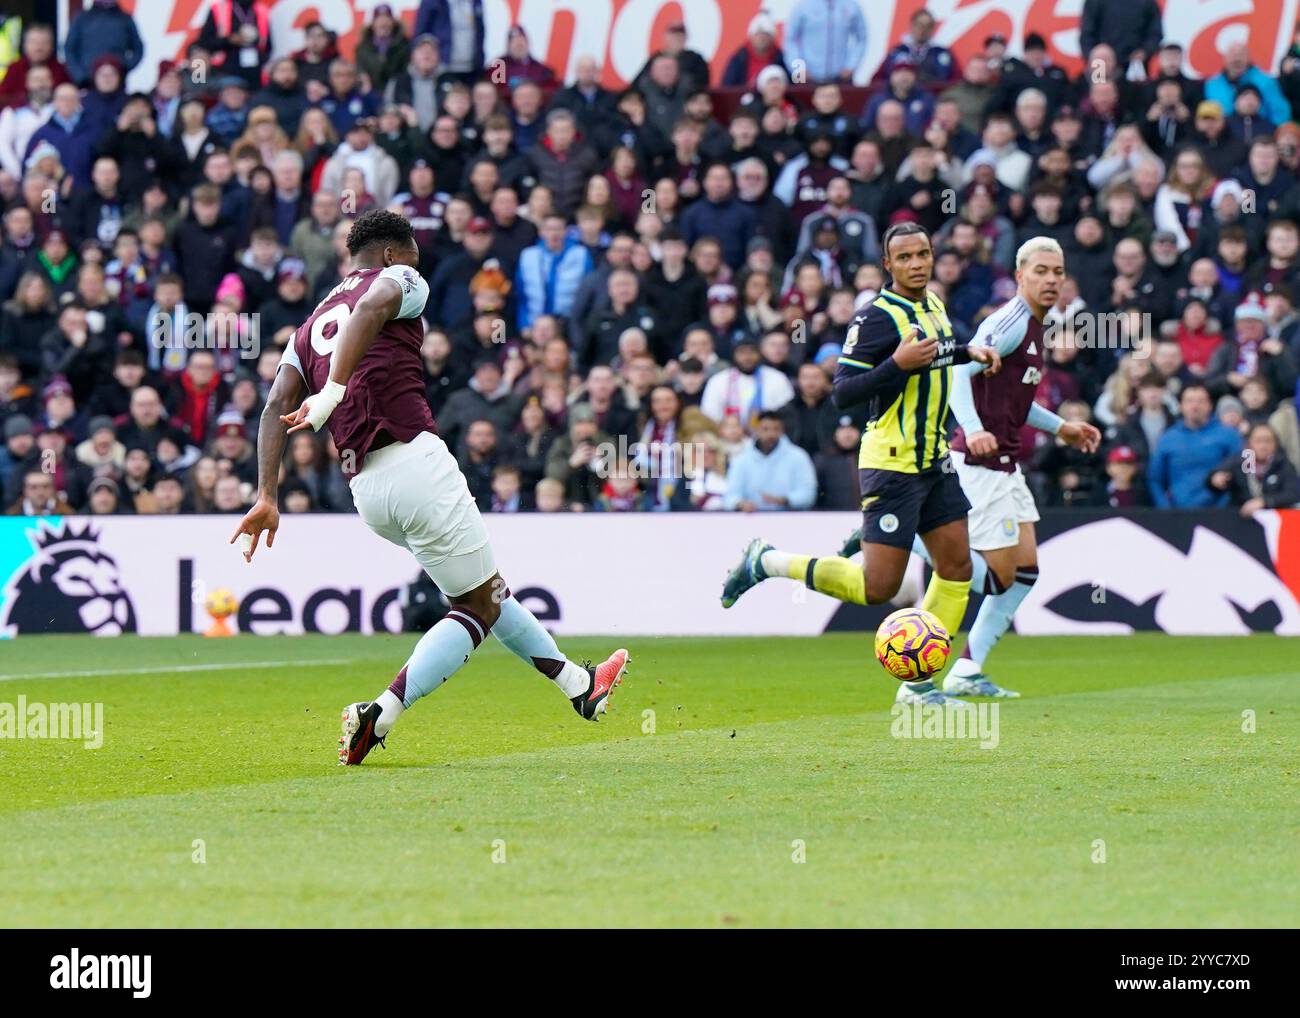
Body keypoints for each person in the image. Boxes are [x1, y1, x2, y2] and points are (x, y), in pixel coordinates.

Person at [232, 211, 629, 766]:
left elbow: (274, 406)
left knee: (485, 592)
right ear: (393, 253)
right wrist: (335, 391)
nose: (418, 267)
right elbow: (372, 308)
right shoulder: (396, 279)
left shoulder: (307, 327)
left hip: (367, 490)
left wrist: (266, 495)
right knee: (477, 607)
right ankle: (380, 713)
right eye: (413, 255)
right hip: (414, 461)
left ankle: (578, 686)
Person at [720, 222, 1000, 707]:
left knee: (956, 568)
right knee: (879, 587)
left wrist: (966, 350)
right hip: (892, 463)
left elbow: (932, 355)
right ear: (888, 265)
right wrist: (897, 365)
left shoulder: (932, 305)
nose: (917, 264)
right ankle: (766, 561)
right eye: (906, 257)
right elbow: (843, 393)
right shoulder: (875, 317)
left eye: (924, 254)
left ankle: (917, 685)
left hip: (934, 458)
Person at [930, 238, 1099, 696]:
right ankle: (917, 541)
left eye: (1057, 272)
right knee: (998, 575)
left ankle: (966, 670)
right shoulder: (1008, 321)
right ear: (1020, 274)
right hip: (980, 463)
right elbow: (955, 372)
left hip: (1007, 462)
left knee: (1024, 572)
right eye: (1041, 271)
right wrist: (971, 426)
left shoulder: (1038, 326)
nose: (1050, 279)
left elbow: (1013, 404)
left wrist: (1061, 426)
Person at [1148, 382, 1243, 507]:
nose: (1195, 406)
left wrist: (1226, 505)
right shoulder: (1168, 437)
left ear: (1210, 405)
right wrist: (1165, 509)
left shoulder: (1229, 435)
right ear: (1181, 406)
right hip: (1178, 515)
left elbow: (1245, 472)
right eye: (1189, 401)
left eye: (1201, 401)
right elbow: (1155, 479)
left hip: (1221, 514)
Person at [722, 411, 816, 512]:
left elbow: (808, 494)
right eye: (765, 429)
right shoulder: (741, 459)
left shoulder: (798, 457)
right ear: (756, 430)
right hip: (751, 521)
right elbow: (730, 496)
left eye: (776, 429)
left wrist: (785, 500)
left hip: (790, 519)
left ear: (782, 431)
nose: (771, 434)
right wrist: (740, 504)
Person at [785, 0, 868, 84]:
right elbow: (790, 40)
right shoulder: (803, 6)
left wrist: (851, 66)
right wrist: (798, 69)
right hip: (808, 79)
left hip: (841, 79)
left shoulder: (851, 6)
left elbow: (861, 38)